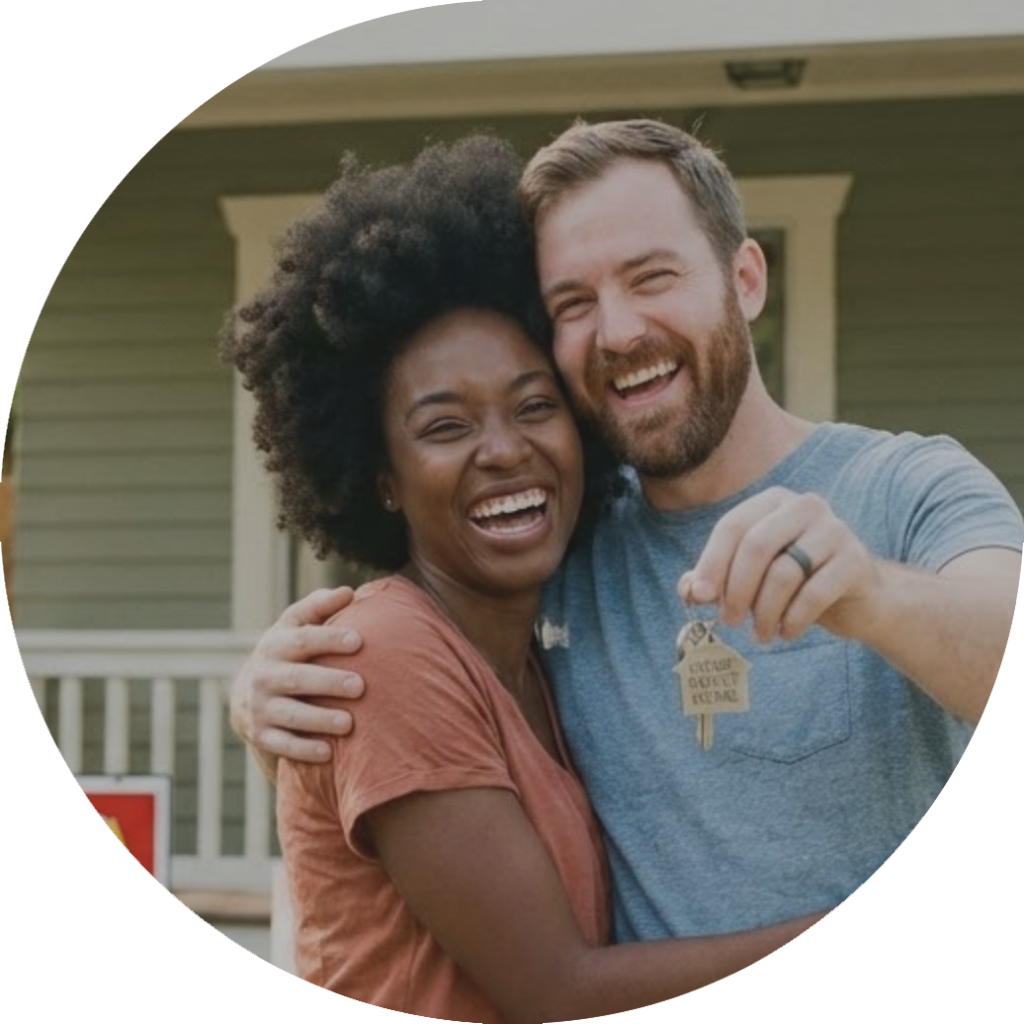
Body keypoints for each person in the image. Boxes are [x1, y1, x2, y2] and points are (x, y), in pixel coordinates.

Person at [230, 120, 1024, 1016]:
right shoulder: (562, 547)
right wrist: (264, 691)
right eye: (573, 303)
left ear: (746, 279)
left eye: (652, 277)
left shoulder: (905, 486)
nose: (618, 330)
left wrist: (876, 596)